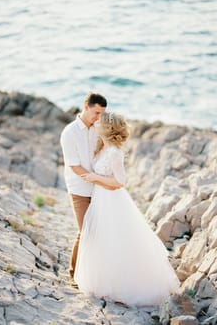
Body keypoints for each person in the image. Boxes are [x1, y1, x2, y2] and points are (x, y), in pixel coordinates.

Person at [74, 112, 180, 306]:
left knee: (117, 240)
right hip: (100, 198)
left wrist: (96, 178)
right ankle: (104, 281)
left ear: (107, 127)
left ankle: (123, 285)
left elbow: (120, 181)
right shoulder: (101, 147)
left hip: (112, 200)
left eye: (99, 121)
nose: (95, 122)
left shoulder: (115, 152)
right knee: (100, 239)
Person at [60, 92, 120, 287]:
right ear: (86, 107)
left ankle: (94, 273)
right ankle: (73, 273)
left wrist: (104, 181)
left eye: (102, 113)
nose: (99, 117)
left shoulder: (98, 129)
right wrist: (95, 179)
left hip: (100, 189)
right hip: (79, 189)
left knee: (99, 231)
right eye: (96, 112)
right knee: (85, 231)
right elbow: (74, 165)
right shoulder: (69, 132)